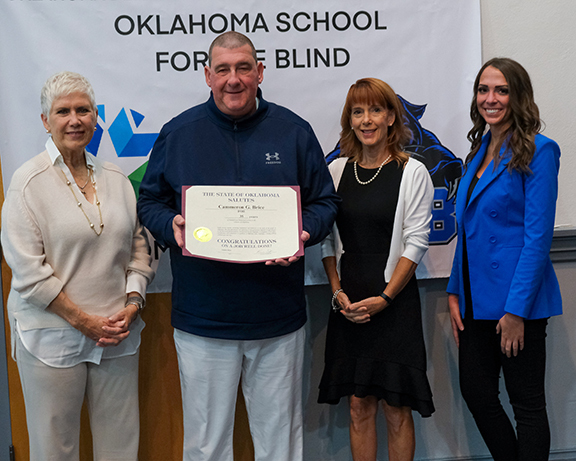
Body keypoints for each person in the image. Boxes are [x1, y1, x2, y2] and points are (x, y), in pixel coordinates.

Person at [137, 31, 338, 461]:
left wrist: (303, 231)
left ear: (259, 72)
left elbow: (324, 202)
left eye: (243, 67)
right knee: (207, 445)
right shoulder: (179, 132)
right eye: (223, 69)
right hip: (203, 320)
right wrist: (169, 224)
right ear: (207, 75)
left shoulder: (294, 131)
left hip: (278, 318)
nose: (234, 79)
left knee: (280, 442)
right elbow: (150, 200)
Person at [1, 71, 154, 460]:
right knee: (56, 449)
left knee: (120, 446)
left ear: (95, 117)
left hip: (116, 332)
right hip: (50, 334)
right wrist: (81, 319)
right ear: (45, 121)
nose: (75, 120)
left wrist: (134, 302)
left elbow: (139, 248)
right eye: (63, 111)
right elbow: (27, 271)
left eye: (83, 110)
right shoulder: (27, 182)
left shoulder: (116, 178)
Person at [447, 57, 562, 461]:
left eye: (501, 90)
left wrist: (516, 312)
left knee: (526, 403)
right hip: (476, 299)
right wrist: (454, 291)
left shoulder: (540, 151)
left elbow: (537, 239)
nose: (490, 99)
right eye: (483, 90)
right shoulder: (477, 151)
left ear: (518, 96)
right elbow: (470, 233)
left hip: (517, 303)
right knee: (477, 393)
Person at [318, 78, 435, 461]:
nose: (366, 119)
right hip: (348, 306)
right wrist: (337, 294)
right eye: (358, 111)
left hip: (393, 305)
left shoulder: (413, 172)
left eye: (375, 110)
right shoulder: (335, 171)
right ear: (349, 120)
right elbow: (326, 240)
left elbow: (416, 242)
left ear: (390, 117)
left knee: (396, 409)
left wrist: (385, 298)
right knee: (357, 405)